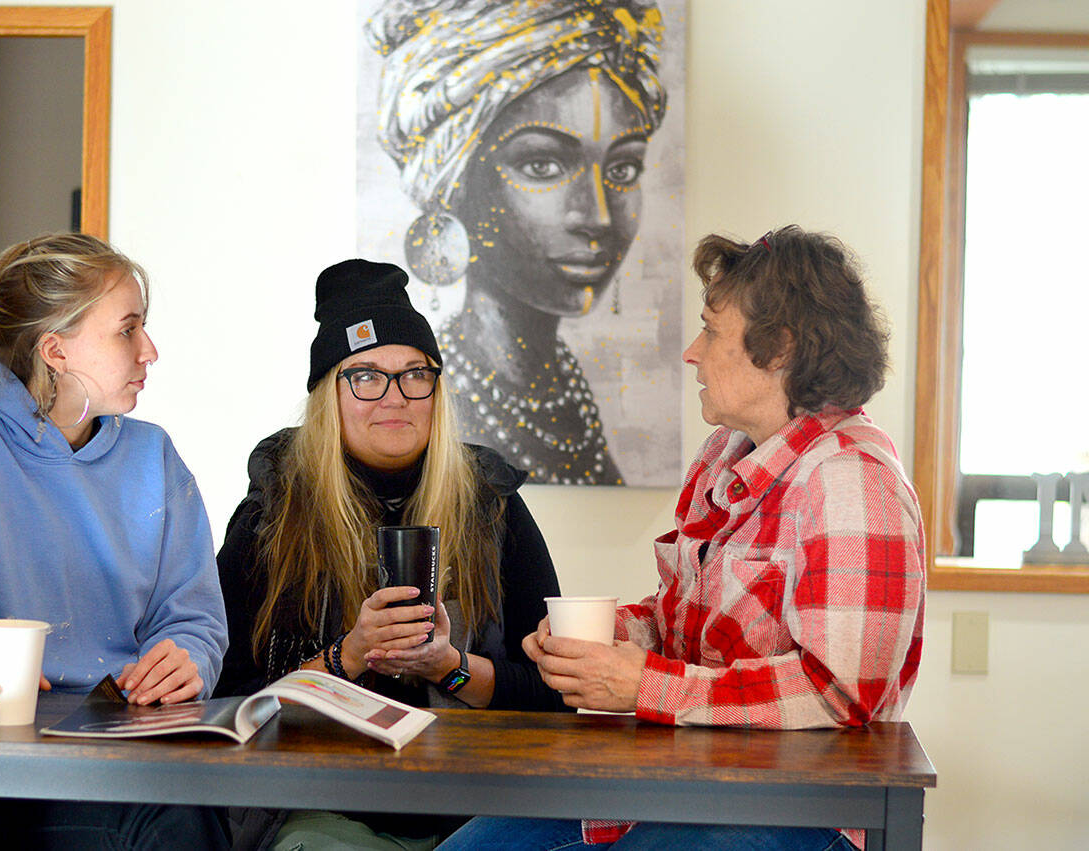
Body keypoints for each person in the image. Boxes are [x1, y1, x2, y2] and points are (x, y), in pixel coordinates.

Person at [437, 226, 927, 850]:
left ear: (779, 348)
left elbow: (839, 696)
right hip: (689, 779)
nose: (693, 352)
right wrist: (611, 639)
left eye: (712, 332)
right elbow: (685, 625)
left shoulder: (852, 480)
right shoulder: (724, 452)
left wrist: (640, 685)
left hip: (800, 808)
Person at [215, 258, 566, 849]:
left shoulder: (491, 503)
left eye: (414, 375)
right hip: (323, 804)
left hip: (477, 806)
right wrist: (351, 654)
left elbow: (552, 694)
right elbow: (230, 703)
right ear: (329, 394)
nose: (395, 397)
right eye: (366, 376)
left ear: (436, 388)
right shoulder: (274, 514)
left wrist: (449, 667)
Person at [0, 233, 230, 850]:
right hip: (13, 764)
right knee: (167, 825)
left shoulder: (155, 455)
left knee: (196, 811)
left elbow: (194, 618)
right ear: (55, 351)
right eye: (128, 330)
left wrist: (186, 657)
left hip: (138, 747)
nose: (150, 351)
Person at [366, 0, 673, 485]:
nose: (596, 216)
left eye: (622, 169)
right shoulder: (428, 404)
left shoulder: (563, 390)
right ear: (454, 182)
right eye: (542, 165)